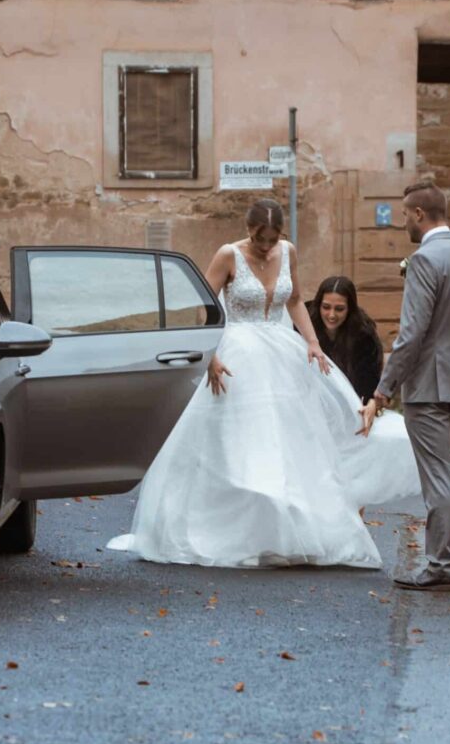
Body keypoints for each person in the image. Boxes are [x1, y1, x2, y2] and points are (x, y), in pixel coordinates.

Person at [108, 199, 419, 569]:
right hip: (236, 354)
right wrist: (210, 354)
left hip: (282, 353)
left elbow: (297, 300)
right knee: (236, 445)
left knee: (290, 443)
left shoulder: (288, 251)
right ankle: (230, 530)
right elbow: (203, 308)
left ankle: (286, 533)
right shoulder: (227, 255)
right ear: (248, 229)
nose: (267, 247)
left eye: (273, 240)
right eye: (260, 239)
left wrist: (313, 343)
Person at [372, 179, 450, 592]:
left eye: (405, 214)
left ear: (419, 214)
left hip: (429, 384)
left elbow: (412, 334)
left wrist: (384, 388)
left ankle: (440, 567)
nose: (403, 221)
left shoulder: (424, 260)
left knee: (438, 475)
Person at [308, 275, 385, 404]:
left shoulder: (364, 336)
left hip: (350, 400)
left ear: (349, 309)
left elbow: (369, 383)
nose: (331, 315)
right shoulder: (306, 324)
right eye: (326, 307)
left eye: (339, 309)